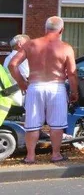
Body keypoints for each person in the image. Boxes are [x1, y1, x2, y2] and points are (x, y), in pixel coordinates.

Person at [8, 17, 78, 164]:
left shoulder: (31, 44)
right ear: (61, 30)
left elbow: (13, 64)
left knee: (32, 123)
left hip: (35, 86)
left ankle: (30, 156)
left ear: (45, 28)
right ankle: (56, 154)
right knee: (56, 124)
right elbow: (71, 73)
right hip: (56, 87)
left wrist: (21, 82)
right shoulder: (66, 47)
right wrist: (74, 92)